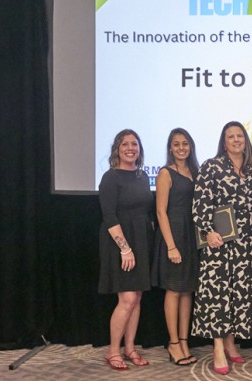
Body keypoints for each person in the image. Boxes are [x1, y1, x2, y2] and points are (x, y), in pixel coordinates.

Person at [192, 121, 252, 375]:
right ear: (224, 143)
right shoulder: (211, 167)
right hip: (219, 241)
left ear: (245, 140)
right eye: (230, 137)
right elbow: (200, 204)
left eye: (239, 136)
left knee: (240, 293)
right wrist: (208, 232)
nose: (236, 140)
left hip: (247, 241)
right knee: (218, 293)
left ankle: (231, 341)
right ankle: (217, 347)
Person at [98, 129, 154, 371]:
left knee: (137, 297)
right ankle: (113, 351)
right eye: (125, 144)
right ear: (117, 149)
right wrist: (125, 248)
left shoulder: (142, 176)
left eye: (134, 144)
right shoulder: (110, 177)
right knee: (127, 298)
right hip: (120, 242)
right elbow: (109, 216)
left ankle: (130, 348)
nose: (130, 148)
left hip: (141, 241)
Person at [151, 128, 200, 366]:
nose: (181, 148)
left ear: (190, 146)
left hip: (192, 235)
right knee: (173, 290)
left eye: (185, 144)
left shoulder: (195, 171)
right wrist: (171, 246)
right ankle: (172, 343)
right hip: (174, 234)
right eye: (176, 144)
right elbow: (161, 212)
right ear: (170, 148)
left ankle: (183, 341)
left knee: (187, 290)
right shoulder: (165, 173)